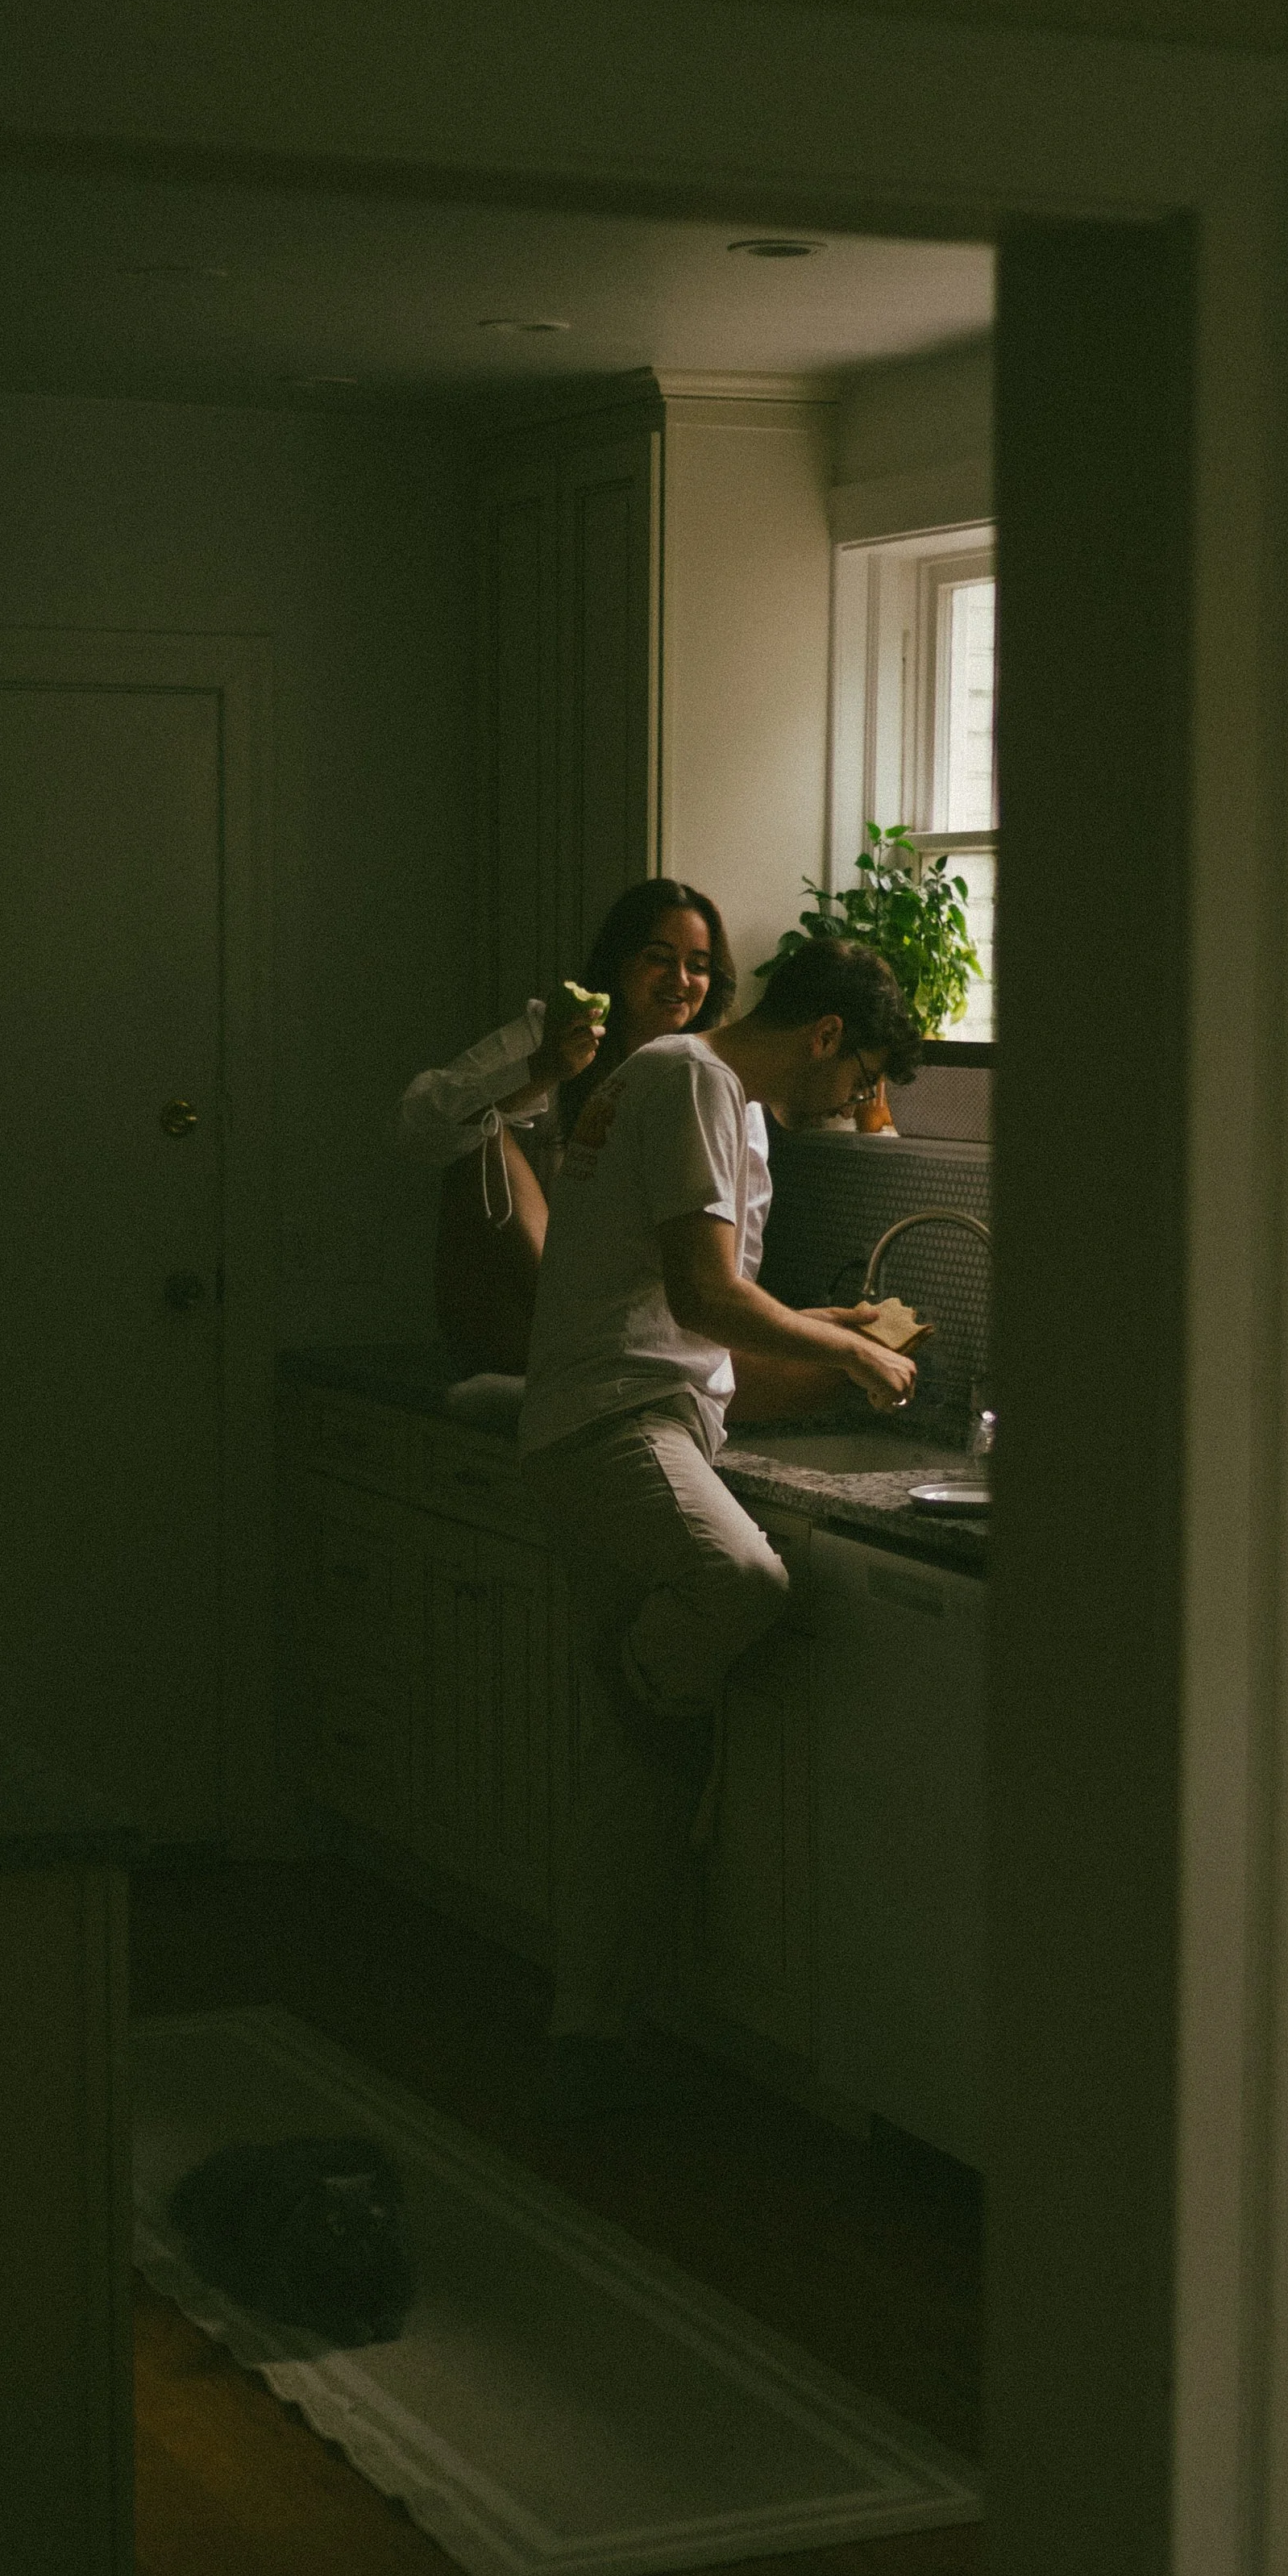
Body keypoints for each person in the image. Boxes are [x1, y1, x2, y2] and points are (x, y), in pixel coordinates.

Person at [517, 935, 925, 2115]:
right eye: (856, 1080)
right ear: (825, 1035)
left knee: (636, 1772)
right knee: (741, 1583)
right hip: (617, 1419)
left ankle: (591, 2032)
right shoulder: (692, 1076)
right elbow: (701, 1298)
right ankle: (652, 1678)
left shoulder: (707, 1093)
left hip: (628, 1414)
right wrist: (852, 1354)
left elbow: (694, 1295)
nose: (848, 1105)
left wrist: (824, 1323)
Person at [394, 879, 736, 1374]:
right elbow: (418, 1124)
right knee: (486, 1134)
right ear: (620, 962)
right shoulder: (555, 1033)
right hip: (522, 1311)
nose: (680, 980)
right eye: (659, 958)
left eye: (698, 966)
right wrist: (540, 1072)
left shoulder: (716, 1076)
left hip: (636, 1316)